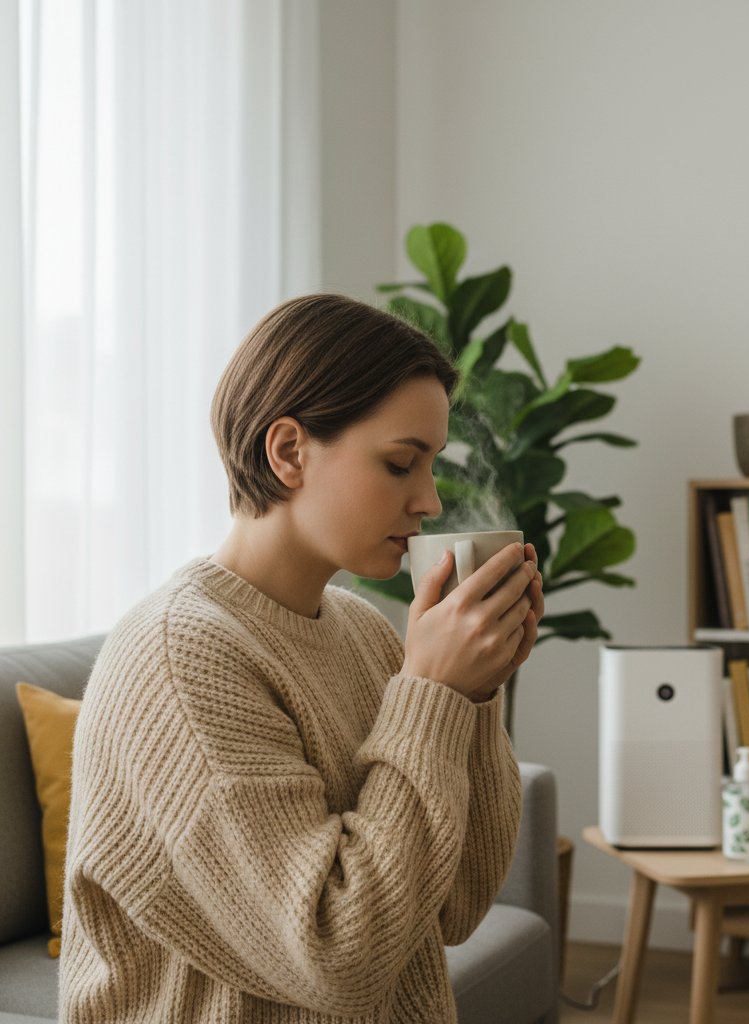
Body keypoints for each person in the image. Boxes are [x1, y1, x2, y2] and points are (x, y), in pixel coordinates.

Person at [59, 294, 544, 1023]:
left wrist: (472, 695)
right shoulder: (180, 658)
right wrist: (433, 693)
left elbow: (458, 903)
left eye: (432, 465)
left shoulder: (363, 631)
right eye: (401, 463)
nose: (429, 501)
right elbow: (336, 955)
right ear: (287, 451)